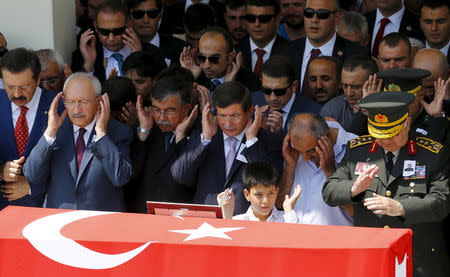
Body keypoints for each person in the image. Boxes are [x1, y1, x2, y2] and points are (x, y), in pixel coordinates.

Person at [322, 91, 450, 277]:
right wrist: (354, 188)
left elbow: (442, 202)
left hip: (418, 260)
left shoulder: (432, 153)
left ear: (406, 123)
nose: (385, 140)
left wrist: (400, 207)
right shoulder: (358, 150)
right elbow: (329, 191)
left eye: (392, 134)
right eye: (378, 134)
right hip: (373, 258)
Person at [24, 73, 133, 211]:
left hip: (101, 222)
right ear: (63, 100)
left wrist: (101, 135)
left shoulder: (118, 131)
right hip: (59, 220)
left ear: (99, 101)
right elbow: (31, 174)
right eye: (71, 102)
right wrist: (50, 132)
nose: (76, 109)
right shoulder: (55, 129)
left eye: (84, 102)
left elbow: (120, 178)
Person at [171, 81, 283, 215]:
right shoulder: (204, 136)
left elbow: (267, 184)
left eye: (235, 116)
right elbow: (180, 176)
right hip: (206, 221)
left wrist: (251, 141)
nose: (228, 123)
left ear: (250, 112)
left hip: (245, 223)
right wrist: (205, 138)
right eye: (222, 116)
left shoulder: (267, 141)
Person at [126, 67, 198, 213]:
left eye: (169, 110)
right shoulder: (142, 131)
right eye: (156, 110)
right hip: (142, 217)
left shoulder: (200, 134)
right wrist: (143, 133)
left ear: (186, 109)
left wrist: (180, 137)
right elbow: (129, 176)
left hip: (181, 219)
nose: (161, 118)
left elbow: (186, 178)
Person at [0, 48, 59, 210]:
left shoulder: (59, 107)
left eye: (24, 86)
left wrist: (31, 187)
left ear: (38, 78)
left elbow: (70, 163)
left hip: (46, 208)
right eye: (10, 86)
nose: (17, 94)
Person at [278, 113, 356, 225]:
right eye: (300, 152)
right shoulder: (293, 152)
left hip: (339, 239)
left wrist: (331, 173)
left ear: (327, 136)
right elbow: (280, 205)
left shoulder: (356, 148)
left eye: (310, 151)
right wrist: (290, 167)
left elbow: (355, 211)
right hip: (298, 237)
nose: (305, 158)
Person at [284, 0, 368, 98]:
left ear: (337, 17)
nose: (314, 20)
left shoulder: (356, 53)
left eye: (322, 14)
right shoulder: (286, 51)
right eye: (309, 13)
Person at [72, 0, 142, 82]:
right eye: (104, 32)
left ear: (129, 25)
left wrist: (138, 60)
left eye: (117, 31)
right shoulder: (81, 56)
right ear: (95, 27)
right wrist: (89, 65)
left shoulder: (147, 52)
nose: (111, 38)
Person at [252, 55, 322, 135]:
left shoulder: (314, 113)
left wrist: (279, 134)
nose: (273, 98)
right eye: (266, 90)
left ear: (294, 86)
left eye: (280, 91)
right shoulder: (252, 102)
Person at [180, 27, 261, 93]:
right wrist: (189, 77)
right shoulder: (197, 79)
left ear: (230, 57)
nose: (207, 65)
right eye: (202, 58)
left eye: (214, 59)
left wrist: (228, 87)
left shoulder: (251, 83)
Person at [217, 162, 301, 222]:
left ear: (277, 191)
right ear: (247, 194)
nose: (265, 200)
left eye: (271, 193)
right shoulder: (238, 221)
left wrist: (289, 211)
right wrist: (227, 216)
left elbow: (297, 242)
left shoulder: (287, 218)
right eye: (259, 195)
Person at [320, 55, 378, 130]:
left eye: (356, 87)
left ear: (374, 83)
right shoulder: (331, 111)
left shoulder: (390, 109)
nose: (349, 93)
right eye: (345, 86)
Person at [127, 0, 187, 66]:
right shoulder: (119, 48)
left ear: (160, 15)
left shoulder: (183, 50)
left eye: (152, 13)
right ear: (129, 16)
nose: (146, 20)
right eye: (138, 14)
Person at [237, 0, 288, 76]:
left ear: (277, 20)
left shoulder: (290, 52)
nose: (257, 24)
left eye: (264, 19)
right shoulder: (235, 51)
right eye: (251, 18)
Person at [420, 0, 450, 64]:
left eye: (440, 21)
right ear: (421, 23)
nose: (434, 28)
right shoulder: (411, 54)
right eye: (428, 22)